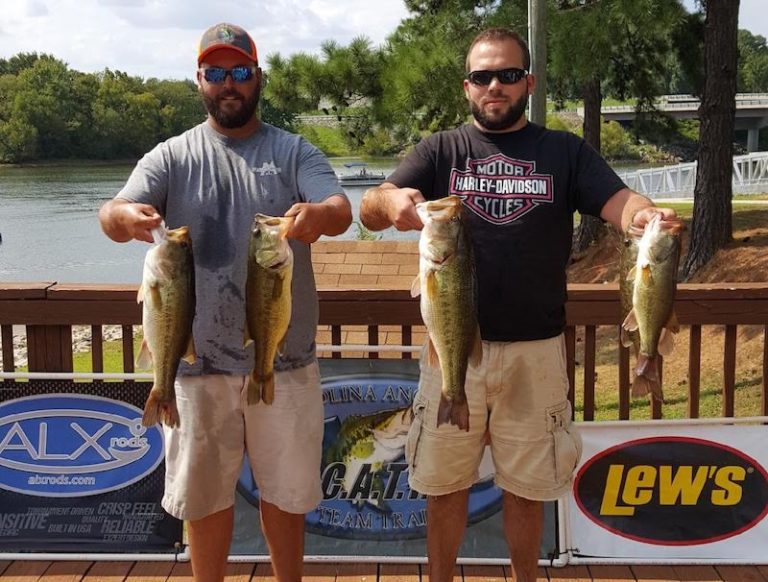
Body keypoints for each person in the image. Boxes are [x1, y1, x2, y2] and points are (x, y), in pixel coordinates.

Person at [359, 27, 679, 582]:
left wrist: (646, 217)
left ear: (528, 83)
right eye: (482, 76)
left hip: (537, 352)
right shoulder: (440, 150)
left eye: (508, 75)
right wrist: (391, 202)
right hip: (453, 350)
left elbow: (622, 203)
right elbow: (369, 206)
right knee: (443, 488)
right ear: (467, 86)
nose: (495, 86)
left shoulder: (564, 151)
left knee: (527, 491)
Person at [98, 23, 352, 582]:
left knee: (286, 497)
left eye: (239, 71)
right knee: (204, 500)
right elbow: (111, 214)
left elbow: (339, 208)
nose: (228, 83)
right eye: (216, 72)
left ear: (258, 77)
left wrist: (320, 215)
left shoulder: (294, 151)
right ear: (199, 80)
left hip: (284, 359)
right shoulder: (171, 156)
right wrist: (123, 217)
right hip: (195, 367)